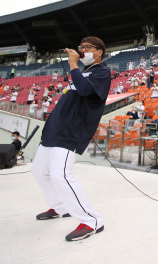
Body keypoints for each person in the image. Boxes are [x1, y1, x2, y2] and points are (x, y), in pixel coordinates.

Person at [32, 36, 109, 241]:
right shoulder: (82, 72)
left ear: (99, 51)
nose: (82, 50)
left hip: (70, 132)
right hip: (54, 130)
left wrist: (73, 65)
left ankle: (91, 221)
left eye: (87, 47)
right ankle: (60, 207)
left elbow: (85, 91)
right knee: (39, 171)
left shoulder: (101, 71)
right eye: (80, 46)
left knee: (61, 175)